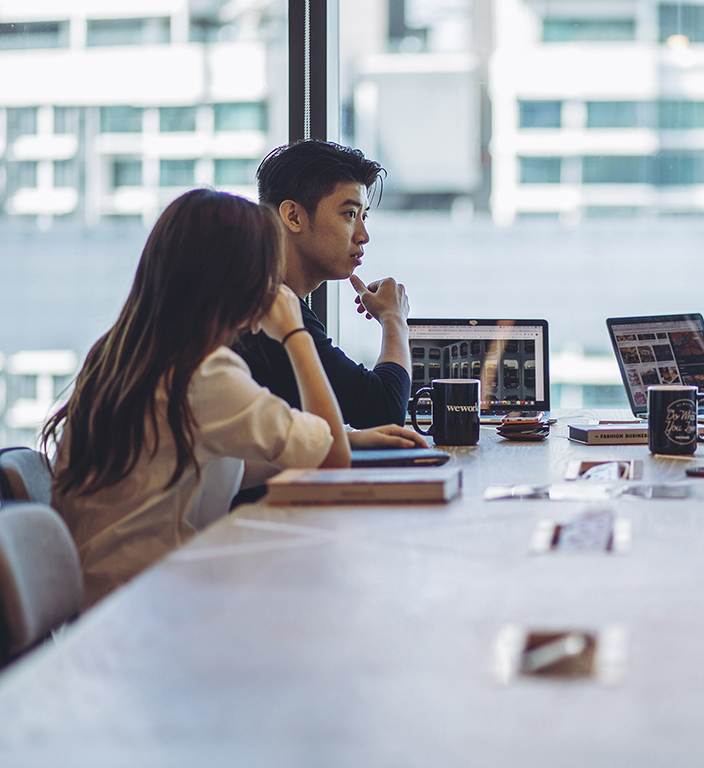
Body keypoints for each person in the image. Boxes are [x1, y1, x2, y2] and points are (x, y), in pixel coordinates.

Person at [44, 190, 426, 608]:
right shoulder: (203, 373)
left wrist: (348, 440)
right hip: (153, 609)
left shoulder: (121, 354)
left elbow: (229, 467)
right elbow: (331, 462)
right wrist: (294, 335)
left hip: (117, 601)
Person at [235, 140, 412, 429]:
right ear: (293, 216)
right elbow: (383, 410)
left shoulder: (258, 291)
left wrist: (351, 441)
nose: (363, 235)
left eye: (364, 216)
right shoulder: (268, 310)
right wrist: (394, 319)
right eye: (350, 214)